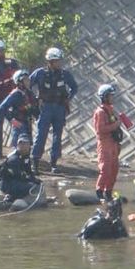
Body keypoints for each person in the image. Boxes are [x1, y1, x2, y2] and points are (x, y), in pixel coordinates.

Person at [30, 46, 78, 174]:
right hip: (45, 108)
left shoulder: (65, 74)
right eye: (57, 61)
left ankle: (54, 163)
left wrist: (68, 98)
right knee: (41, 135)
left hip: (59, 108)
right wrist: (35, 99)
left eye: (60, 60)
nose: (59, 63)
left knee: (57, 137)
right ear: (50, 61)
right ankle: (34, 162)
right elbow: (27, 85)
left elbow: (74, 87)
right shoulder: (40, 73)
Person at [92, 83, 127, 200]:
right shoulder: (100, 112)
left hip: (113, 144)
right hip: (104, 143)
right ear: (105, 97)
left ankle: (108, 192)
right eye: (110, 96)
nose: (112, 98)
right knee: (105, 169)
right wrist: (115, 124)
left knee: (114, 169)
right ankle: (99, 192)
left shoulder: (110, 110)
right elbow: (100, 130)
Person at [0, 69, 38, 149]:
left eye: (28, 79)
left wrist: (38, 116)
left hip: (28, 123)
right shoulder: (15, 94)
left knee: (28, 147)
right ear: (19, 82)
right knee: (18, 147)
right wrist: (12, 120)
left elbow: (34, 106)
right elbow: (2, 107)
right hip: (19, 124)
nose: (28, 82)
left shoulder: (29, 93)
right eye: (25, 80)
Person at [0, 135, 41, 200]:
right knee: (31, 187)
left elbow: (28, 171)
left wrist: (35, 179)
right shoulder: (14, 159)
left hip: (15, 181)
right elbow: (19, 176)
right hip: (6, 183)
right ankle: (12, 197)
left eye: (27, 144)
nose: (25, 146)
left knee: (36, 185)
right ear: (18, 145)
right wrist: (32, 180)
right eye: (22, 144)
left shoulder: (25, 156)